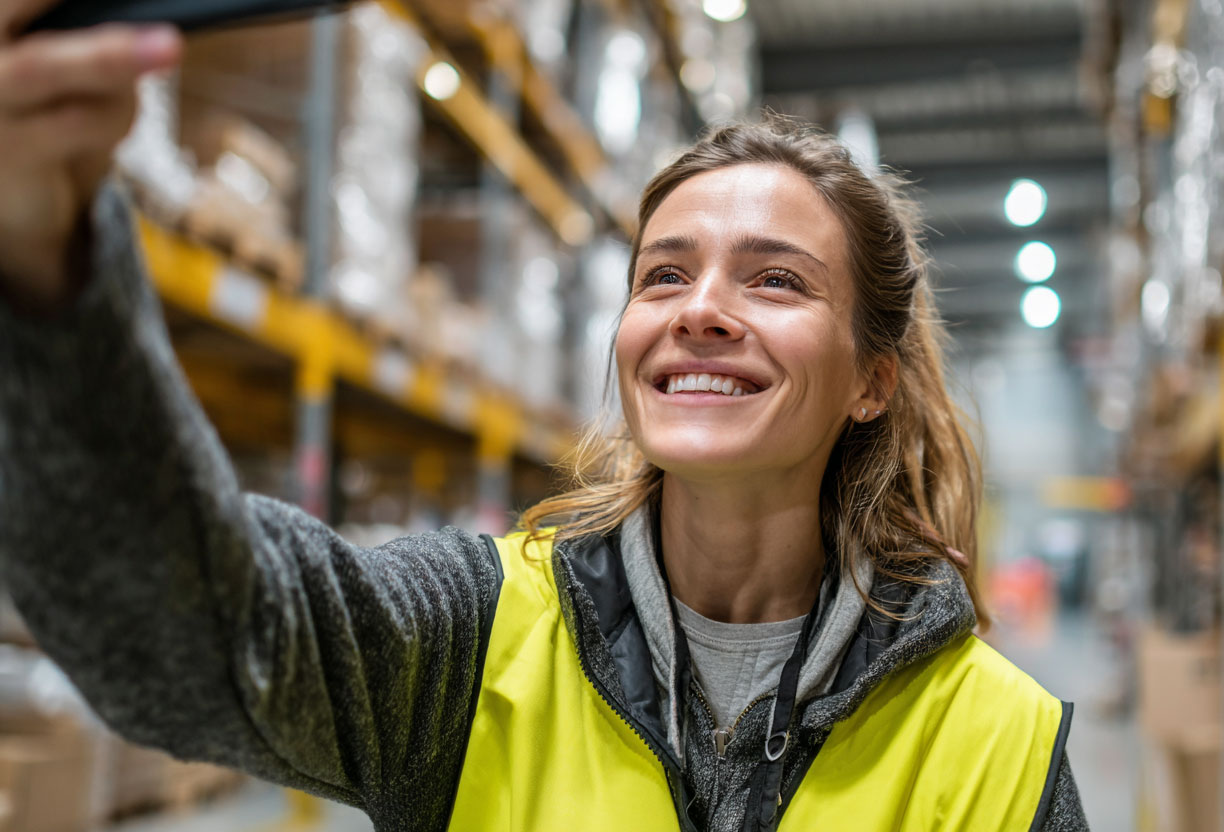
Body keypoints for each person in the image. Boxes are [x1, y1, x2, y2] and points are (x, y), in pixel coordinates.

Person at [0, 6, 1090, 831]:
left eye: (775, 282)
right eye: (663, 275)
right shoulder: (474, 639)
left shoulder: (995, 745)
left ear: (871, 380)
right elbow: (188, 636)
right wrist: (46, 268)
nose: (700, 311)